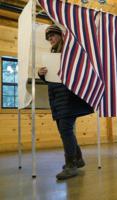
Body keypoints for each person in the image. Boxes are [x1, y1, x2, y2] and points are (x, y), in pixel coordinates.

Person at [38, 24, 94, 180]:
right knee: (64, 130)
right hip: (57, 98)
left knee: (65, 129)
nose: (51, 40)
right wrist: (41, 74)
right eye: (49, 38)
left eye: (53, 36)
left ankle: (71, 165)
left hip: (69, 98)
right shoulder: (52, 55)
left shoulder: (70, 53)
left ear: (61, 36)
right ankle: (78, 159)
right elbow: (52, 80)